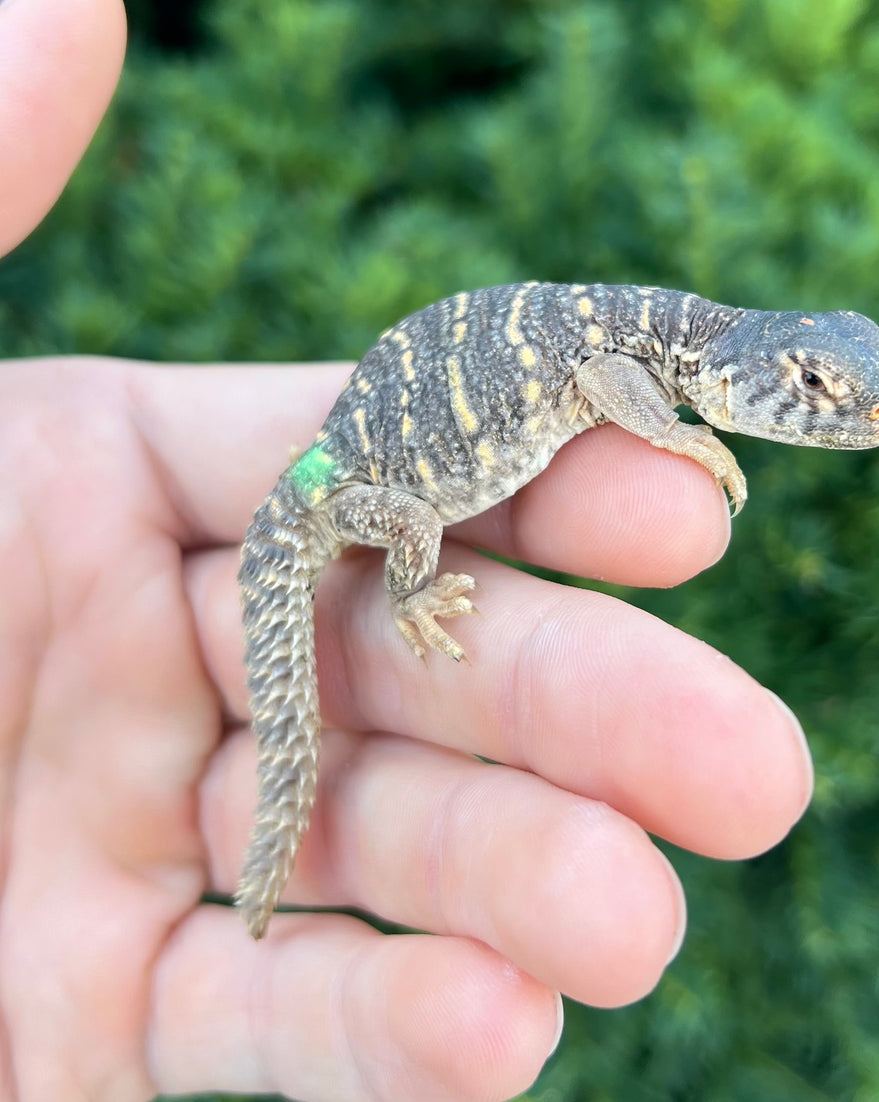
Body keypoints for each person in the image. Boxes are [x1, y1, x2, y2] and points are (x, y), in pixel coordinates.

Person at [0, 0, 813, 1098]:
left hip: (347, 448)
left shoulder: (678, 336)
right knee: (416, 527)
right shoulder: (661, 360)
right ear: (745, 369)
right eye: (814, 394)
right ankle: (398, 610)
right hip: (353, 481)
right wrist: (673, 435)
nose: (834, 411)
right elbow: (597, 380)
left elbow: (594, 371)